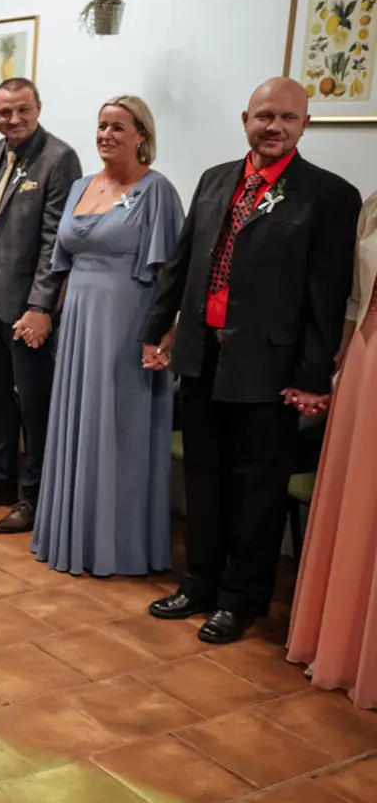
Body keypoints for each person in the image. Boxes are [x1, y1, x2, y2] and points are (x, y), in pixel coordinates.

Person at [141, 77, 359, 646]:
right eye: (265, 116)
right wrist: (155, 330)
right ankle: (199, 584)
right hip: (202, 354)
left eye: (287, 118)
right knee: (204, 477)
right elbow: (183, 263)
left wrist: (312, 376)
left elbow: (327, 295)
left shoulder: (329, 195)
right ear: (245, 119)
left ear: (305, 125)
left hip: (271, 368)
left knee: (256, 492)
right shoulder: (215, 180)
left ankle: (241, 600)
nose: (274, 127)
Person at [32, 97, 184, 578]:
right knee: (77, 422)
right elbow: (61, 264)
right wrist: (45, 314)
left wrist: (162, 334)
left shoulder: (157, 191)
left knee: (120, 427)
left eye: (118, 127)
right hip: (79, 324)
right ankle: (70, 533)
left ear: (142, 135)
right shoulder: (81, 185)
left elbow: (171, 274)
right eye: (101, 126)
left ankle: (117, 545)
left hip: (127, 324)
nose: (106, 135)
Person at [0, 79, 81, 534]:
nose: (14, 119)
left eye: (23, 110)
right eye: (5, 112)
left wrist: (41, 306)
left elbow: (54, 242)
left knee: (34, 406)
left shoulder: (58, 158)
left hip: (27, 308)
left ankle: (33, 497)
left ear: (38, 108)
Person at [288, 190, 377, 704]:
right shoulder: (374, 204)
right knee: (357, 501)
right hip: (365, 359)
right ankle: (343, 645)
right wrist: (331, 365)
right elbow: (354, 297)